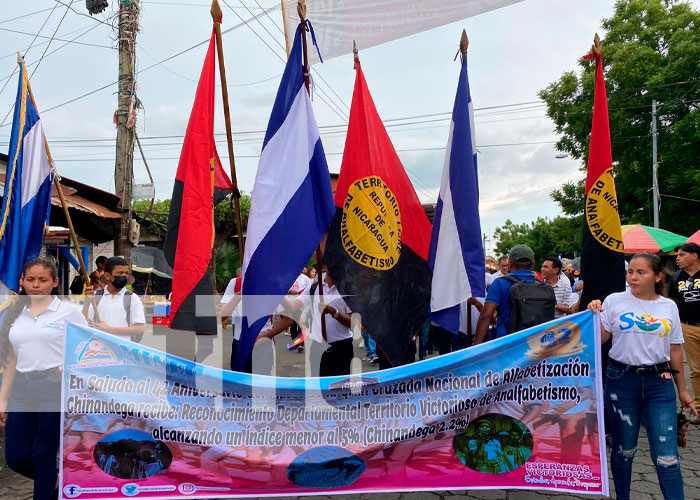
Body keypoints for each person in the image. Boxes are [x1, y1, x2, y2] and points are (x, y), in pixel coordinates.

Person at [587, 252, 697, 500]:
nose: (633, 277)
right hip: (621, 382)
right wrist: (593, 313)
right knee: (624, 450)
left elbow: (675, 348)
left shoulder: (668, 306)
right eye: (630, 272)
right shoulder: (614, 300)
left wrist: (682, 391)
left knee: (667, 456)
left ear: (658, 276)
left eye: (641, 272)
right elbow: (600, 338)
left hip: (660, 384)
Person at [0, 257, 88, 500]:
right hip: (21, 390)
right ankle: (56, 479)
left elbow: (89, 348)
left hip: (55, 389)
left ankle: (47, 486)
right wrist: (2, 399)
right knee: (16, 458)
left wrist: (68, 363)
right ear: (22, 281)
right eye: (30, 279)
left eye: (42, 280)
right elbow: (11, 360)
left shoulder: (69, 311)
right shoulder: (15, 313)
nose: (35, 285)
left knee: (43, 454)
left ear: (54, 282)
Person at [474, 245, 553, 345]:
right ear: (533, 264)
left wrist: (475, 347)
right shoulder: (545, 286)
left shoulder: (499, 284)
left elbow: (486, 315)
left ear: (510, 264)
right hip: (536, 345)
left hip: (507, 345)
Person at [668, 242, 700, 422]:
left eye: (681, 255)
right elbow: (671, 302)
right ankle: (699, 407)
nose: (677, 258)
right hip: (687, 326)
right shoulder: (677, 277)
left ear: (694, 255)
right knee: (696, 369)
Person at [82, 256, 146, 339]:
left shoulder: (132, 298)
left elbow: (139, 329)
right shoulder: (96, 296)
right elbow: (84, 323)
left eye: (125, 273)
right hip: (98, 348)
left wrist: (109, 330)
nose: (124, 276)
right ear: (108, 276)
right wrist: (87, 302)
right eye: (120, 273)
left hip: (122, 349)